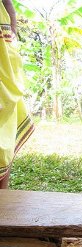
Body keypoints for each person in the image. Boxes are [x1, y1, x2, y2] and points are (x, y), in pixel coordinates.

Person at [0, 0, 34, 189]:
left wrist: (12, 32)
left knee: (6, 133)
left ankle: (2, 199)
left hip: (4, 59)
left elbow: (7, 3)